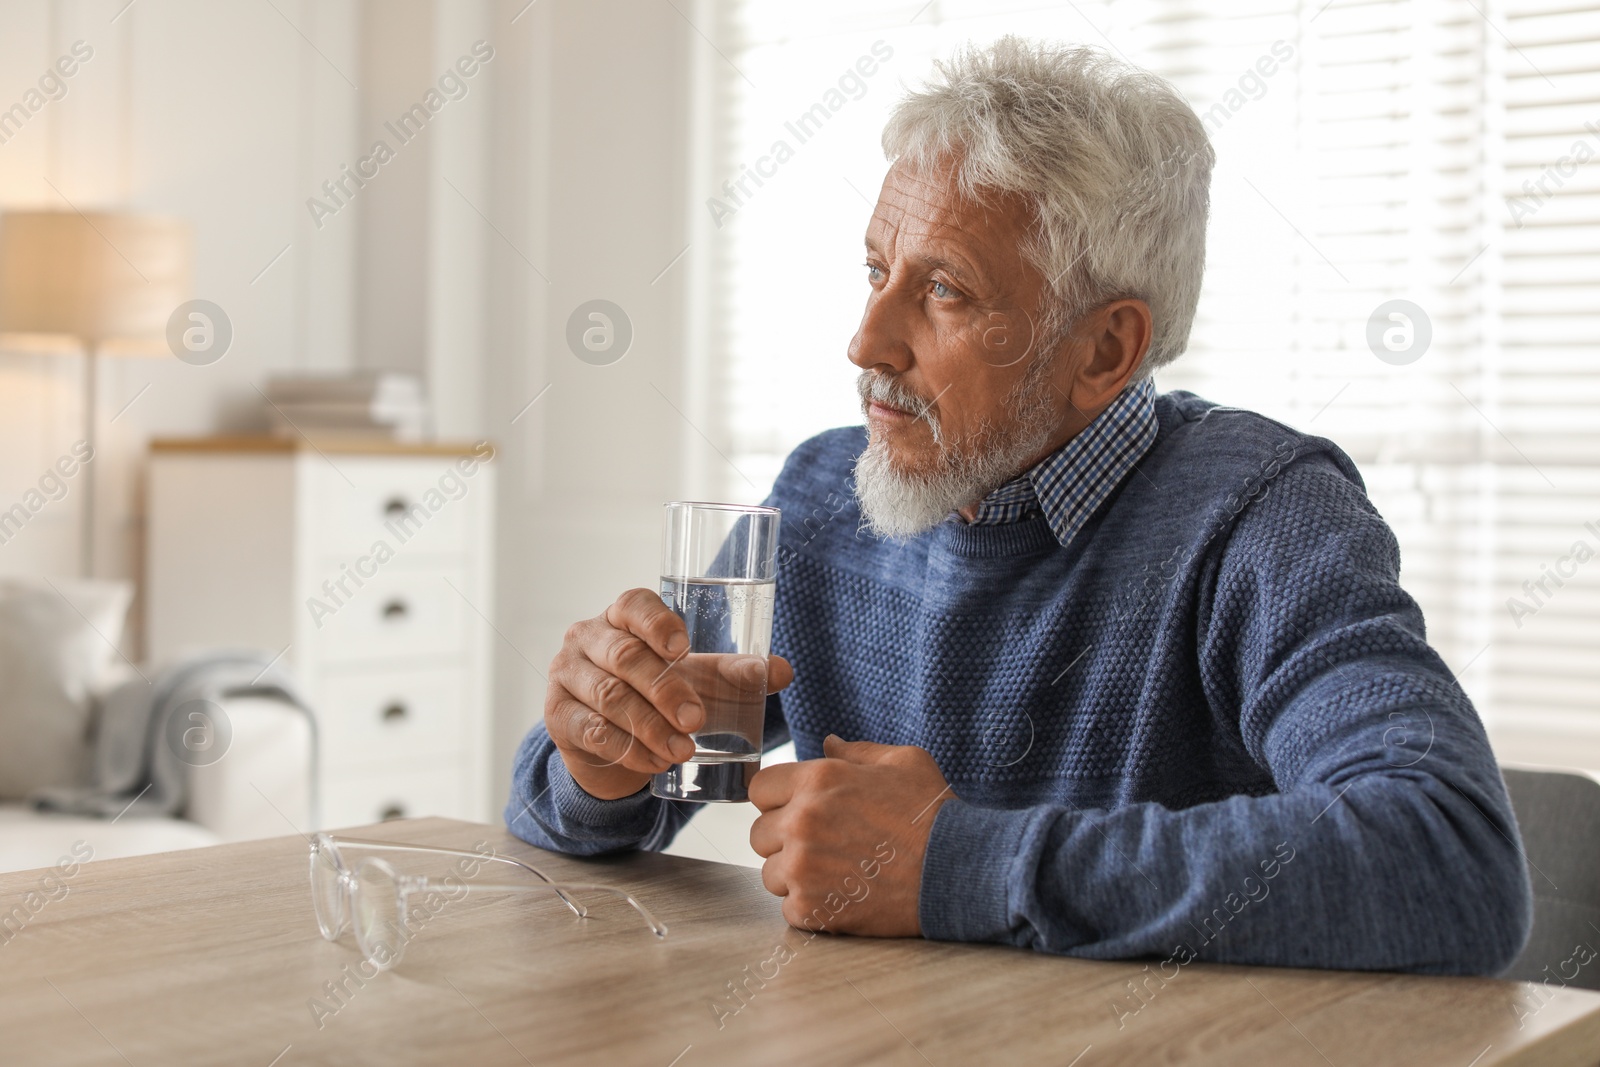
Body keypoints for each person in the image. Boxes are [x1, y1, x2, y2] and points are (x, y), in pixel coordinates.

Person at [506, 37, 1531, 974]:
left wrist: (955, 859)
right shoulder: (826, 494)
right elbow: (580, 800)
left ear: (1104, 350)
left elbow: (1448, 856)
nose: (865, 342)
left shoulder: (1263, 517)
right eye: (876, 270)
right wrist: (599, 758)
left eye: (943, 289)